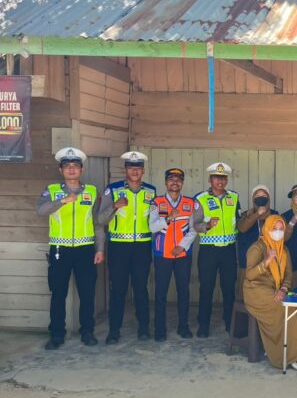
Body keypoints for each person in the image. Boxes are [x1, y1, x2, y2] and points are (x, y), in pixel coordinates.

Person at [37, 147, 105, 349]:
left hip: (85, 249)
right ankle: (57, 334)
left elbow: (98, 223)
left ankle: (87, 332)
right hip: (60, 249)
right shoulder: (51, 190)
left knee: (87, 293)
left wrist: (100, 248)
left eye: (76, 165)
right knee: (58, 293)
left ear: (82, 170)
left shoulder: (91, 191)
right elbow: (41, 210)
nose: (72, 169)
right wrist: (63, 201)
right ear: (61, 170)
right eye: (67, 166)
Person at [98, 151, 156, 344]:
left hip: (142, 246)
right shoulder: (113, 190)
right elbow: (101, 219)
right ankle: (114, 331)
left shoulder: (151, 191)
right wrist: (115, 206)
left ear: (143, 170)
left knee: (141, 289)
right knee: (118, 289)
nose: (135, 171)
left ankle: (144, 328)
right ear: (125, 170)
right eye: (131, 167)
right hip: (119, 247)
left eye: (138, 167)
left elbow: (155, 219)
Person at [244, 214, 297, 371]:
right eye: (274, 228)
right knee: (286, 308)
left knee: (296, 304)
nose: (278, 232)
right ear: (267, 229)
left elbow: (288, 274)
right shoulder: (257, 248)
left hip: (277, 288)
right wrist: (266, 261)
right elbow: (250, 275)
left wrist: (283, 289)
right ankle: (290, 355)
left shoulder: (284, 249)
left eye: (281, 229)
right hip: (257, 290)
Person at [193, 162, 241, 338]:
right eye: (216, 178)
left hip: (229, 250)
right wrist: (207, 225)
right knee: (206, 288)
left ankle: (230, 323)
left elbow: (238, 220)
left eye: (223, 178)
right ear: (210, 179)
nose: (220, 181)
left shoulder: (234, 197)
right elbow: (195, 225)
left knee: (229, 288)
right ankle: (203, 325)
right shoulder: (201, 198)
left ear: (226, 180)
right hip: (209, 251)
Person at [149, 168, 198, 341]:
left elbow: (193, 229)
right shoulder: (157, 202)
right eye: (171, 179)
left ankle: (183, 327)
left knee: (183, 291)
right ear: (165, 182)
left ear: (182, 183)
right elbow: (152, 227)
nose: (175, 182)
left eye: (178, 179)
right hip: (162, 254)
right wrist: (168, 218)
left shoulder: (190, 203)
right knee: (160, 293)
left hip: (183, 255)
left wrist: (182, 246)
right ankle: (160, 329)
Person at [237, 185, 278, 275]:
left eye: (264, 196)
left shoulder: (275, 215)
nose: (260, 198)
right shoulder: (246, 214)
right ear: (253, 198)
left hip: (269, 257)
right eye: (257, 196)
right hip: (249, 259)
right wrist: (257, 214)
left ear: (268, 198)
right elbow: (242, 228)